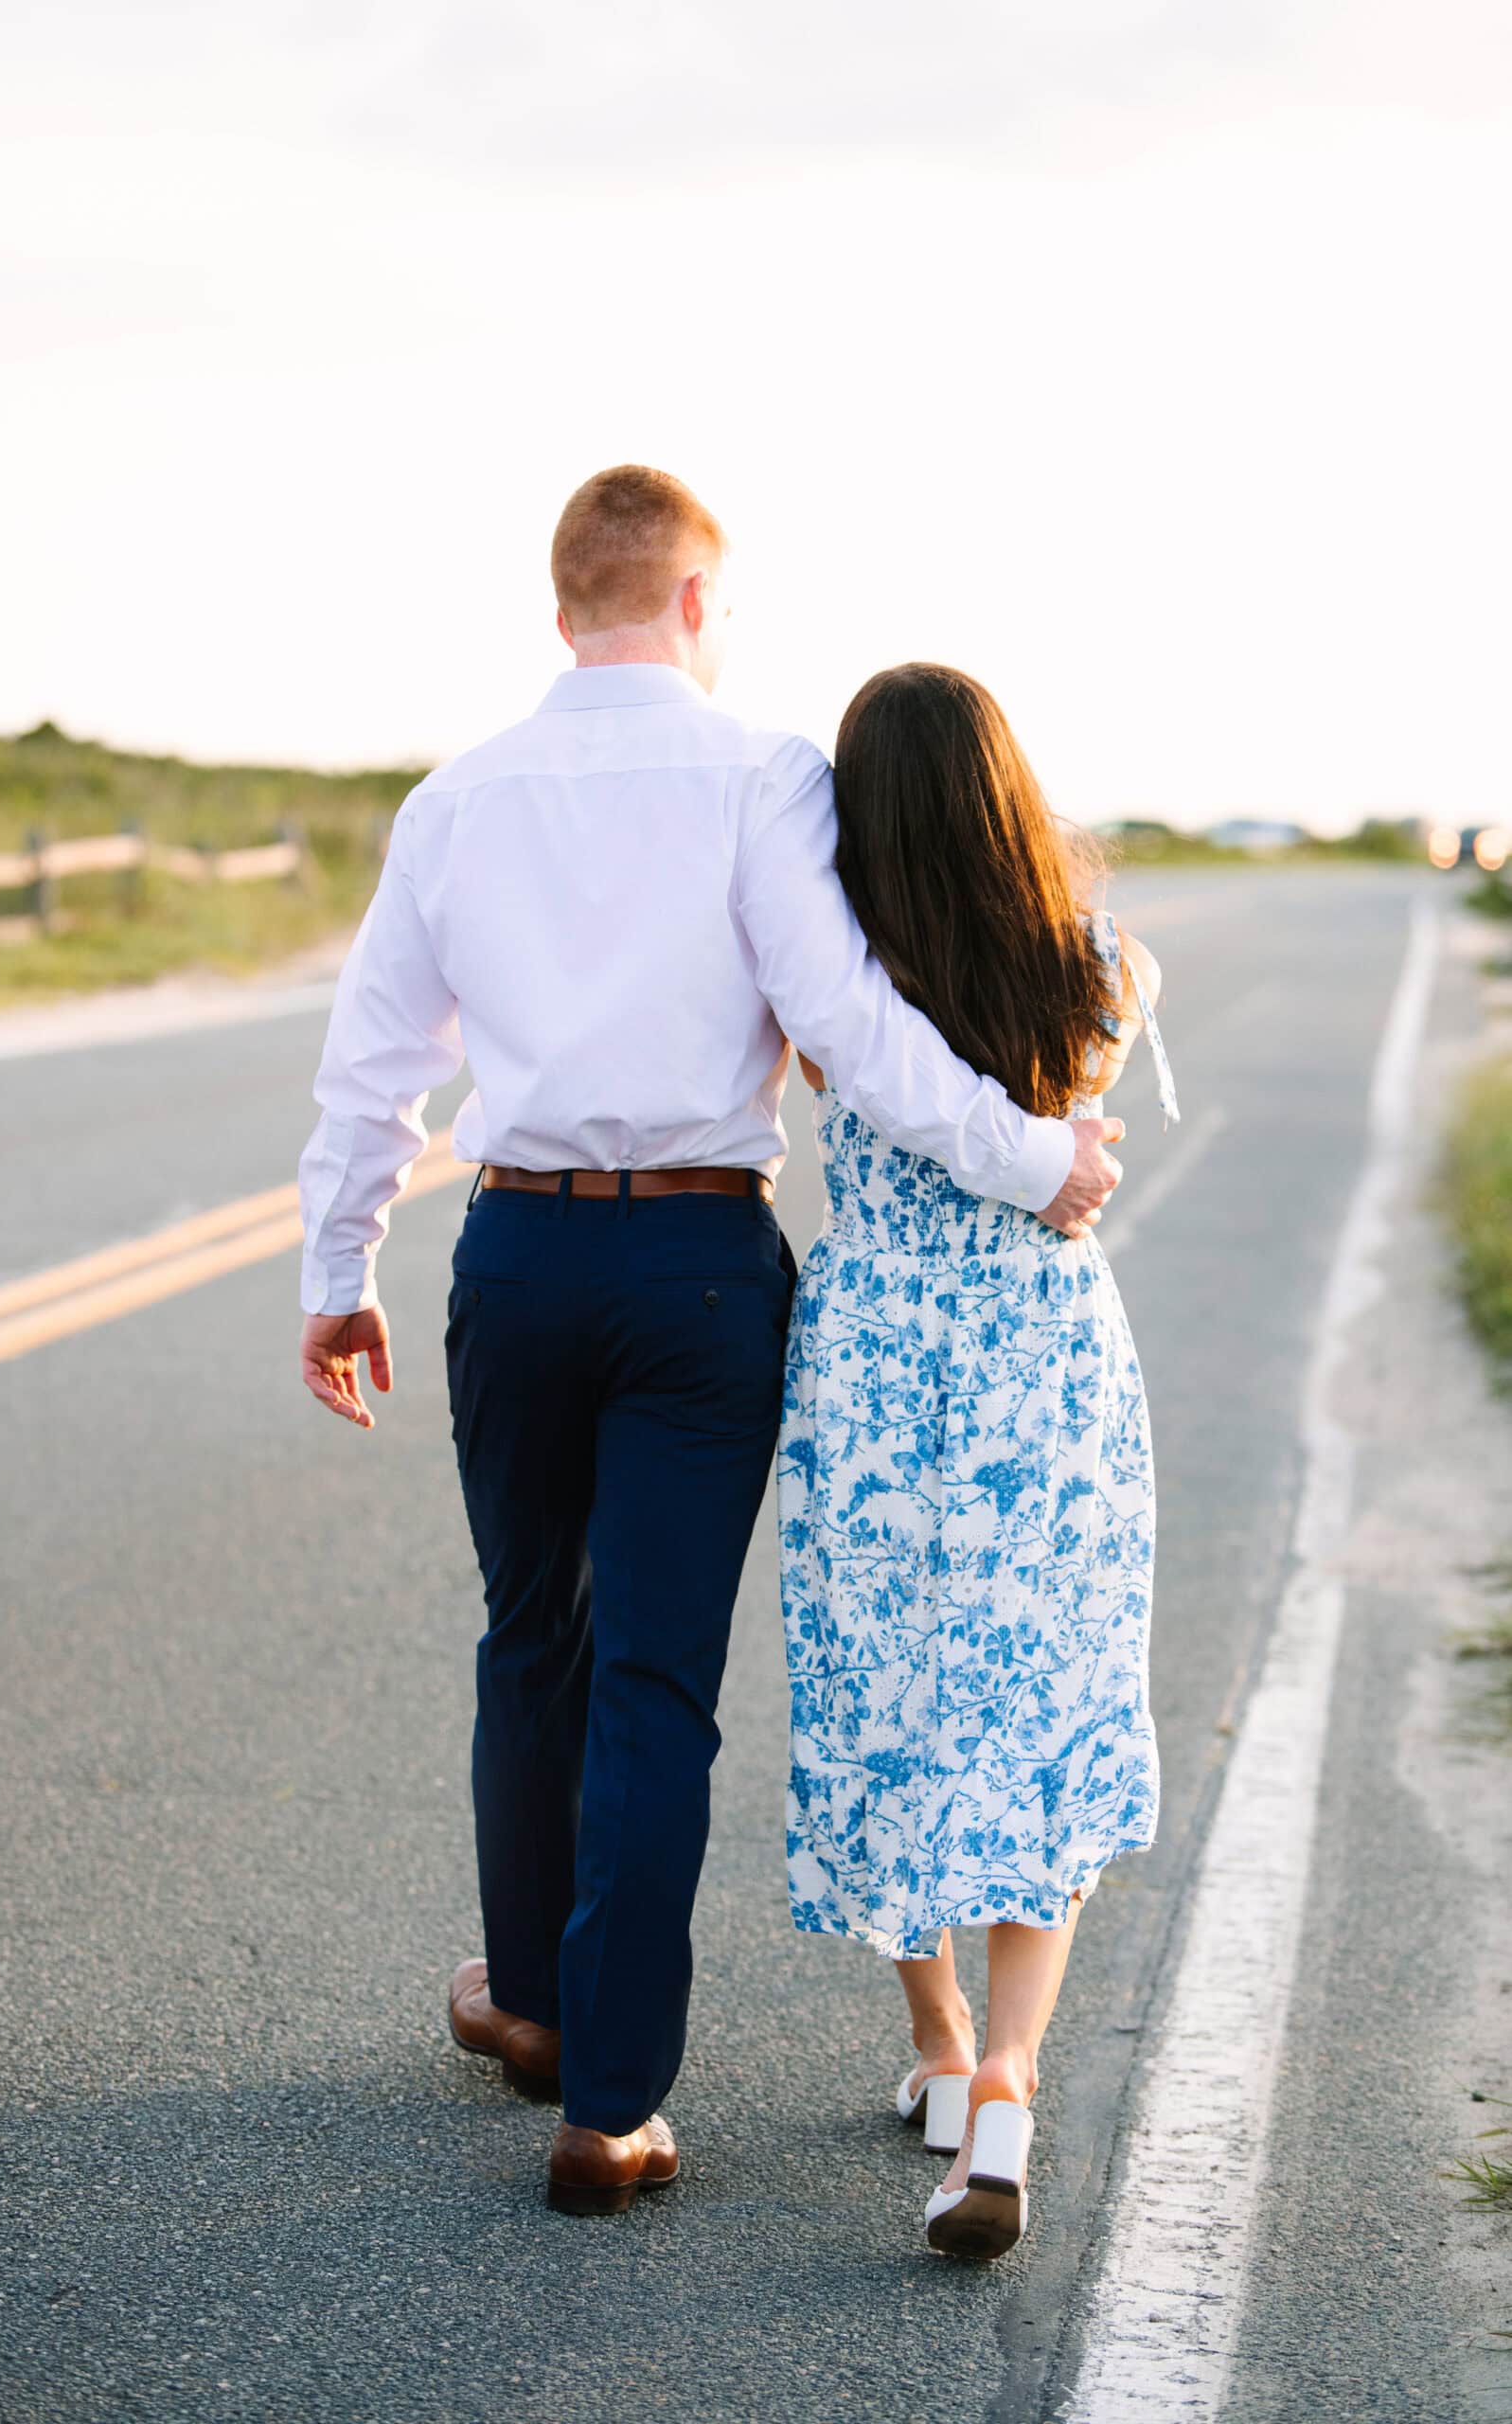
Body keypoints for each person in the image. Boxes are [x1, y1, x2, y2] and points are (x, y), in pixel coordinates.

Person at [294, 470, 1125, 2217]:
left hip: (510, 1254)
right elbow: (855, 1029)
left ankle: (524, 2000)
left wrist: (335, 1266)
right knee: (654, 1679)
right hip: (691, 1268)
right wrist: (1037, 1156)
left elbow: (376, 1063)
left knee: (532, 1639)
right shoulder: (760, 776)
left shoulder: (452, 798)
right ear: (692, 601)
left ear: (562, 608)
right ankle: (605, 2104)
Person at [778, 662, 1178, 2261]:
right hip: (1045, 1368)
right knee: (1044, 1702)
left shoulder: (838, 984)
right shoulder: (1103, 965)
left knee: (889, 1693)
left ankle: (937, 2045)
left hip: (875, 1366)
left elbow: (848, 1083)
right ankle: (1007, 2078)